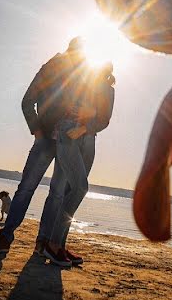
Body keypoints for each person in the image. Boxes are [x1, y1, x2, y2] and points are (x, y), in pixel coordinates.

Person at [0, 37, 86, 254]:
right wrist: (37, 132)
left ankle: (42, 244)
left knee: (57, 194)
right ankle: (5, 237)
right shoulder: (51, 68)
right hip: (46, 139)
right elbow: (27, 100)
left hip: (68, 143)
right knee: (26, 188)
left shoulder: (84, 77)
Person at [38, 63, 116, 265]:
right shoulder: (79, 79)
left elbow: (105, 119)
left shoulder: (108, 90)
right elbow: (63, 103)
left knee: (72, 191)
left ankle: (60, 246)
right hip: (68, 134)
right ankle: (52, 245)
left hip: (88, 139)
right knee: (80, 188)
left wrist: (86, 125)